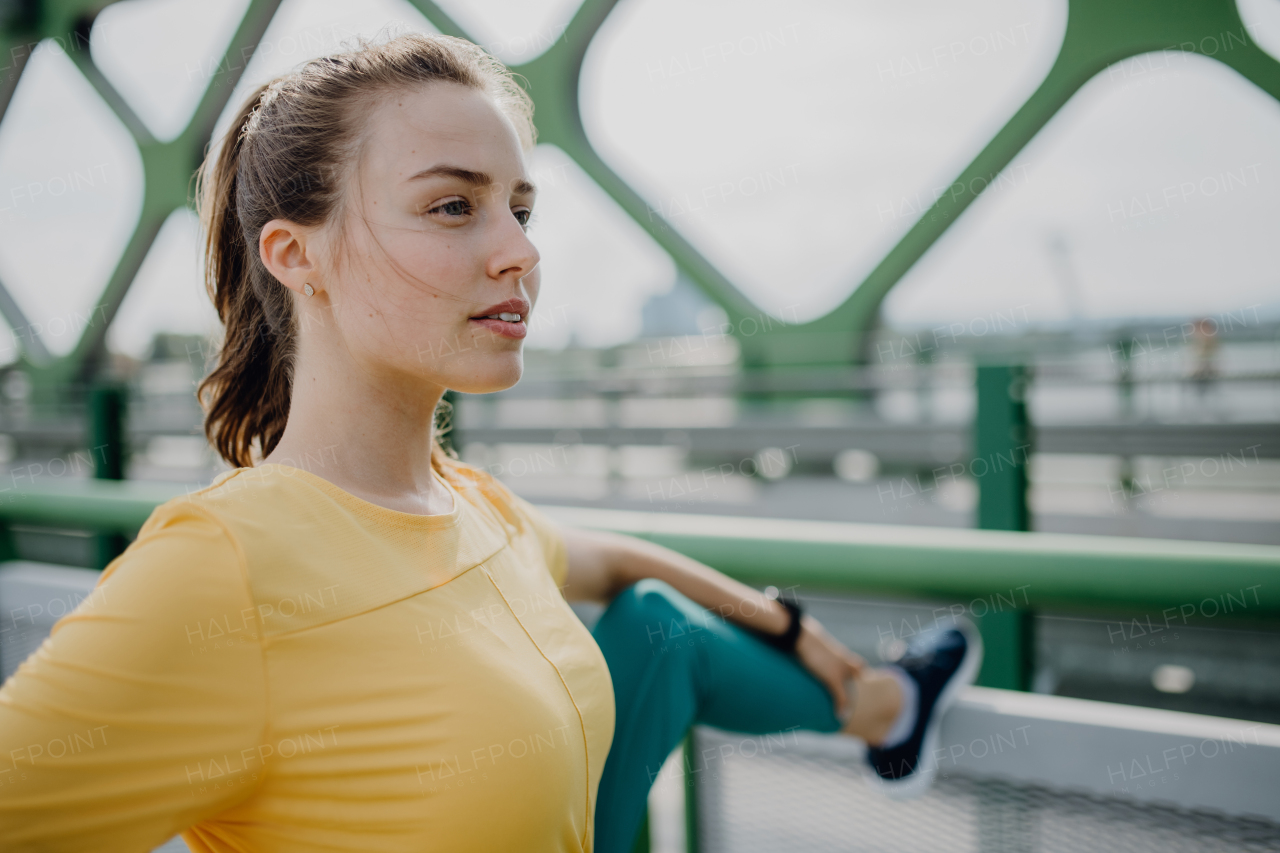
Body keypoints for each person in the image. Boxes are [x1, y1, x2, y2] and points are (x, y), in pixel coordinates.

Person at [0, 32, 979, 853]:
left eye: (519, 207)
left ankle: (885, 708)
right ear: (298, 256)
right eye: (451, 205)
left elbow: (620, 560)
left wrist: (801, 635)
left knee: (656, 622)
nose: (518, 249)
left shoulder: (466, 502)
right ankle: (888, 709)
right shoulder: (226, 572)